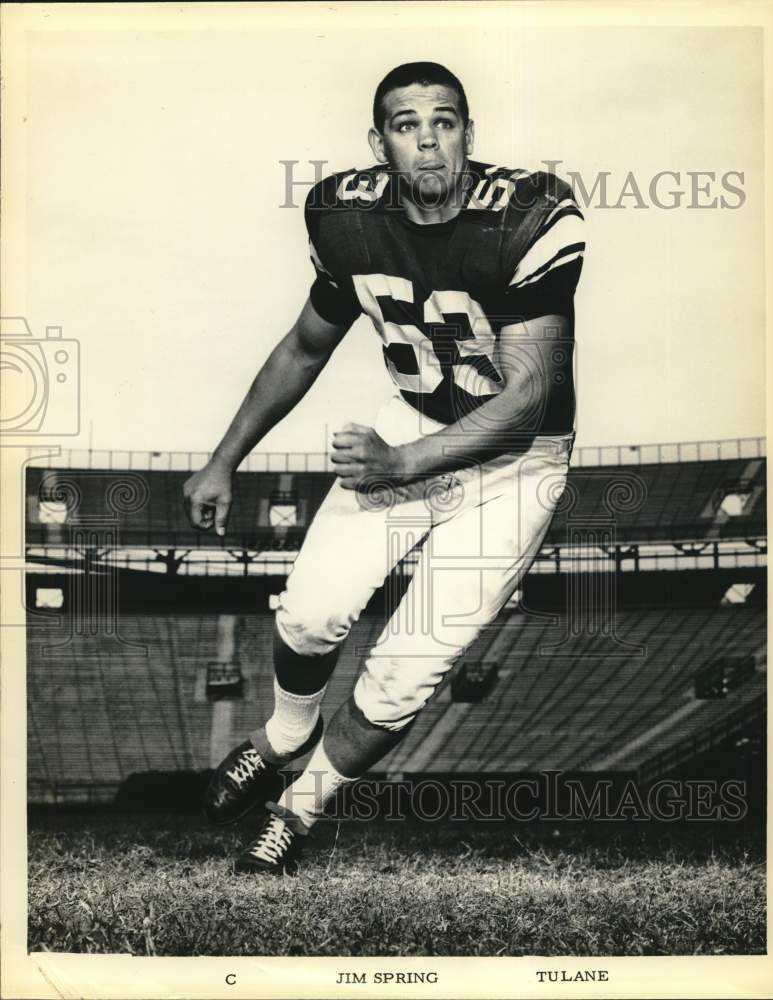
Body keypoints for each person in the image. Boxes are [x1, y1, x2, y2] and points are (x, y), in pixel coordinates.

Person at [183, 61, 585, 874]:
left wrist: (400, 462)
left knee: (403, 674)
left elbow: (525, 403)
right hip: (414, 424)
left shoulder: (529, 214)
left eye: (446, 120)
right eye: (407, 123)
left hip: (516, 464)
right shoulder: (344, 216)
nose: (429, 139)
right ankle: (288, 731)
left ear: (470, 133)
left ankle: (300, 808)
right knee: (307, 614)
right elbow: (304, 346)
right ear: (380, 142)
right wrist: (224, 460)